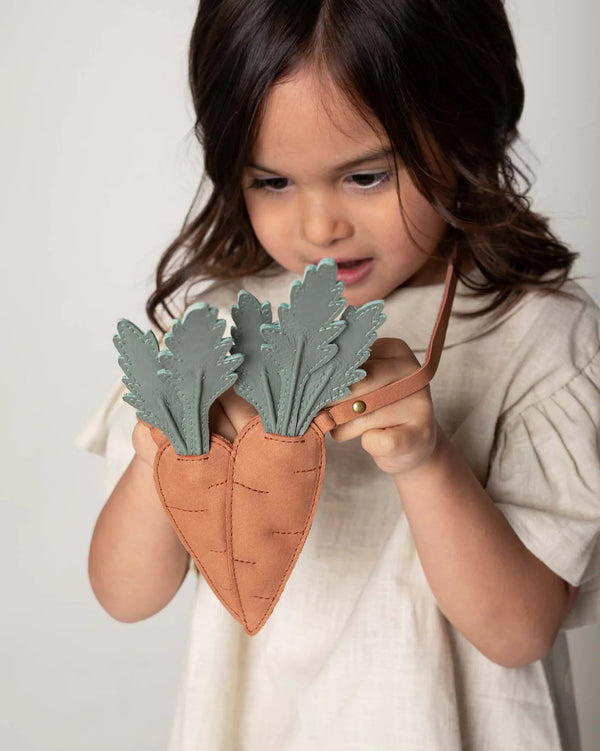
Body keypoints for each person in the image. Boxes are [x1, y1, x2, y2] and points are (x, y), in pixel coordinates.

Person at [76, 1, 600, 749]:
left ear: (462, 128)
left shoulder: (537, 334)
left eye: (363, 175)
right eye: (273, 183)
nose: (320, 225)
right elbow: (125, 595)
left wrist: (426, 462)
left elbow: (520, 631)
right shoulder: (211, 330)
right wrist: (169, 441)